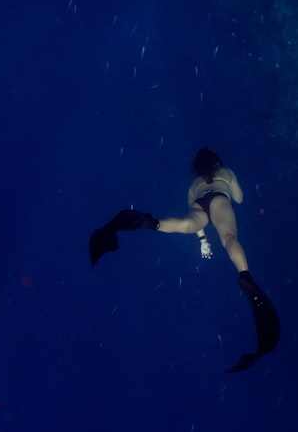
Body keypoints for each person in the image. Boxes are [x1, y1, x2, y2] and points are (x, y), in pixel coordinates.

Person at [89, 147, 280, 372]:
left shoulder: (193, 185)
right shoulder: (226, 173)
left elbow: (195, 217)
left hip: (200, 204)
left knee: (184, 225)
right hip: (220, 199)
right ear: (217, 161)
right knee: (228, 238)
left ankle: (152, 223)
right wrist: (230, 184)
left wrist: (202, 241)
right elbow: (239, 197)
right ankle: (245, 276)